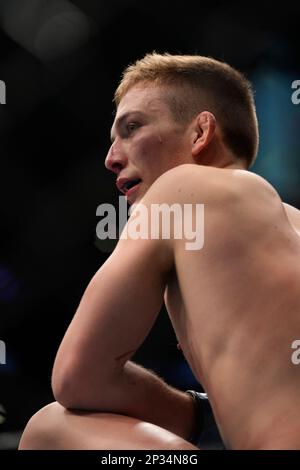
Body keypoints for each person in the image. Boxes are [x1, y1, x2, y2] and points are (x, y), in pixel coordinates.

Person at [19, 53, 300, 450]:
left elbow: (78, 377)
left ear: (201, 132)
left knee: (50, 426)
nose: (111, 158)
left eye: (132, 128)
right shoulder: (288, 224)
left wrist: (195, 414)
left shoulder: (182, 188)